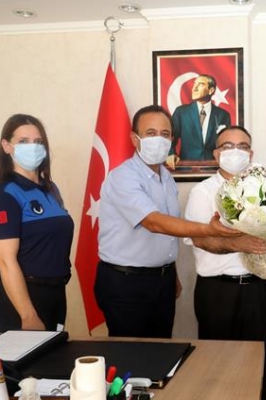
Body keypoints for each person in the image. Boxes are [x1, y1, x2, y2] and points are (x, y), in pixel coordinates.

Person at [94, 105, 238, 339]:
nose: (159, 140)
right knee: (129, 353)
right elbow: (155, 223)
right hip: (126, 283)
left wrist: (171, 272)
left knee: (161, 350)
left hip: (162, 280)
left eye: (165, 134)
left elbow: (168, 234)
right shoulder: (123, 176)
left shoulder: (166, 178)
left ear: (172, 139)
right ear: (135, 138)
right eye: (151, 133)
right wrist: (207, 230)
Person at [184, 125, 266, 400]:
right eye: (227, 146)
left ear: (251, 154)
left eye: (242, 147)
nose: (236, 152)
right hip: (217, 292)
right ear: (216, 154)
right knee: (217, 365)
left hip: (258, 288)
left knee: (258, 364)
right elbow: (199, 240)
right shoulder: (202, 192)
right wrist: (237, 244)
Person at [0, 114, 74, 332]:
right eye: (23, 141)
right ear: (7, 146)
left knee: (55, 354)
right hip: (22, 302)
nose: (33, 147)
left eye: (38, 142)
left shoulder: (50, 188)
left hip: (55, 294)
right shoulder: (4, 194)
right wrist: (28, 315)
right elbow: (5, 261)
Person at [168, 74, 231, 164]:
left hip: (213, 167)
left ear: (211, 90)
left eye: (200, 84)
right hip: (186, 167)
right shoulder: (181, 112)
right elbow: (170, 138)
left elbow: (226, 143)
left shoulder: (223, 115)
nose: (194, 88)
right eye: (194, 84)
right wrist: (171, 154)